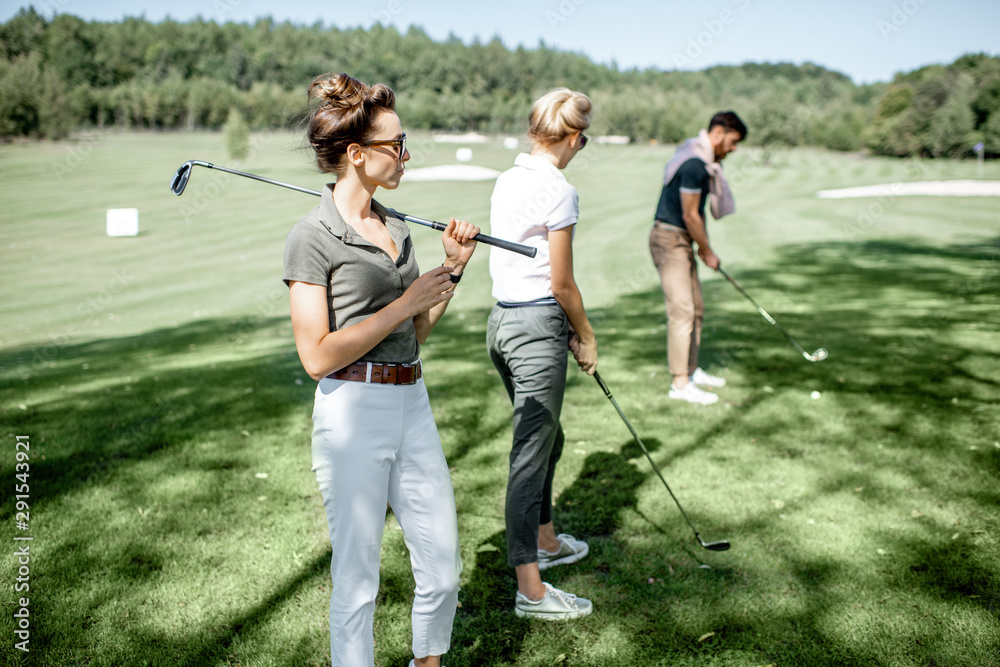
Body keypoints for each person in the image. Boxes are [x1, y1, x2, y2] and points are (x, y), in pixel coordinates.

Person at [283, 72, 480, 667]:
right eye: (397, 145)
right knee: (358, 580)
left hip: (411, 403)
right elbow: (316, 356)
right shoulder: (311, 238)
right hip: (351, 413)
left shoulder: (397, 228)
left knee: (443, 568)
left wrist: (452, 269)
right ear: (356, 154)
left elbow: (414, 330)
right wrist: (404, 301)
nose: (406, 155)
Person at [486, 88, 598, 621]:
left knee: (549, 438)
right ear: (574, 138)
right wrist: (586, 335)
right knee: (531, 454)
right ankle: (531, 589)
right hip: (536, 327)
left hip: (502, 325)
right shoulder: (561, 189)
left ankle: (547, 540)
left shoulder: (507, 178)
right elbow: (562, 283)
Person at [649, 111, 748, 405]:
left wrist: (702, 248)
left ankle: (691, 371)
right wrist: (707, 251)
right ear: (718, 132)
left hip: (682, 240)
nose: (733, 149)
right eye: (732, 142)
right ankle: (680, 384)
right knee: (682, 310)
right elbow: (691, 214)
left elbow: (695, 216)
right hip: (669, 239)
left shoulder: (703, 161)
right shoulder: (694, 163)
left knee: (697, 309)